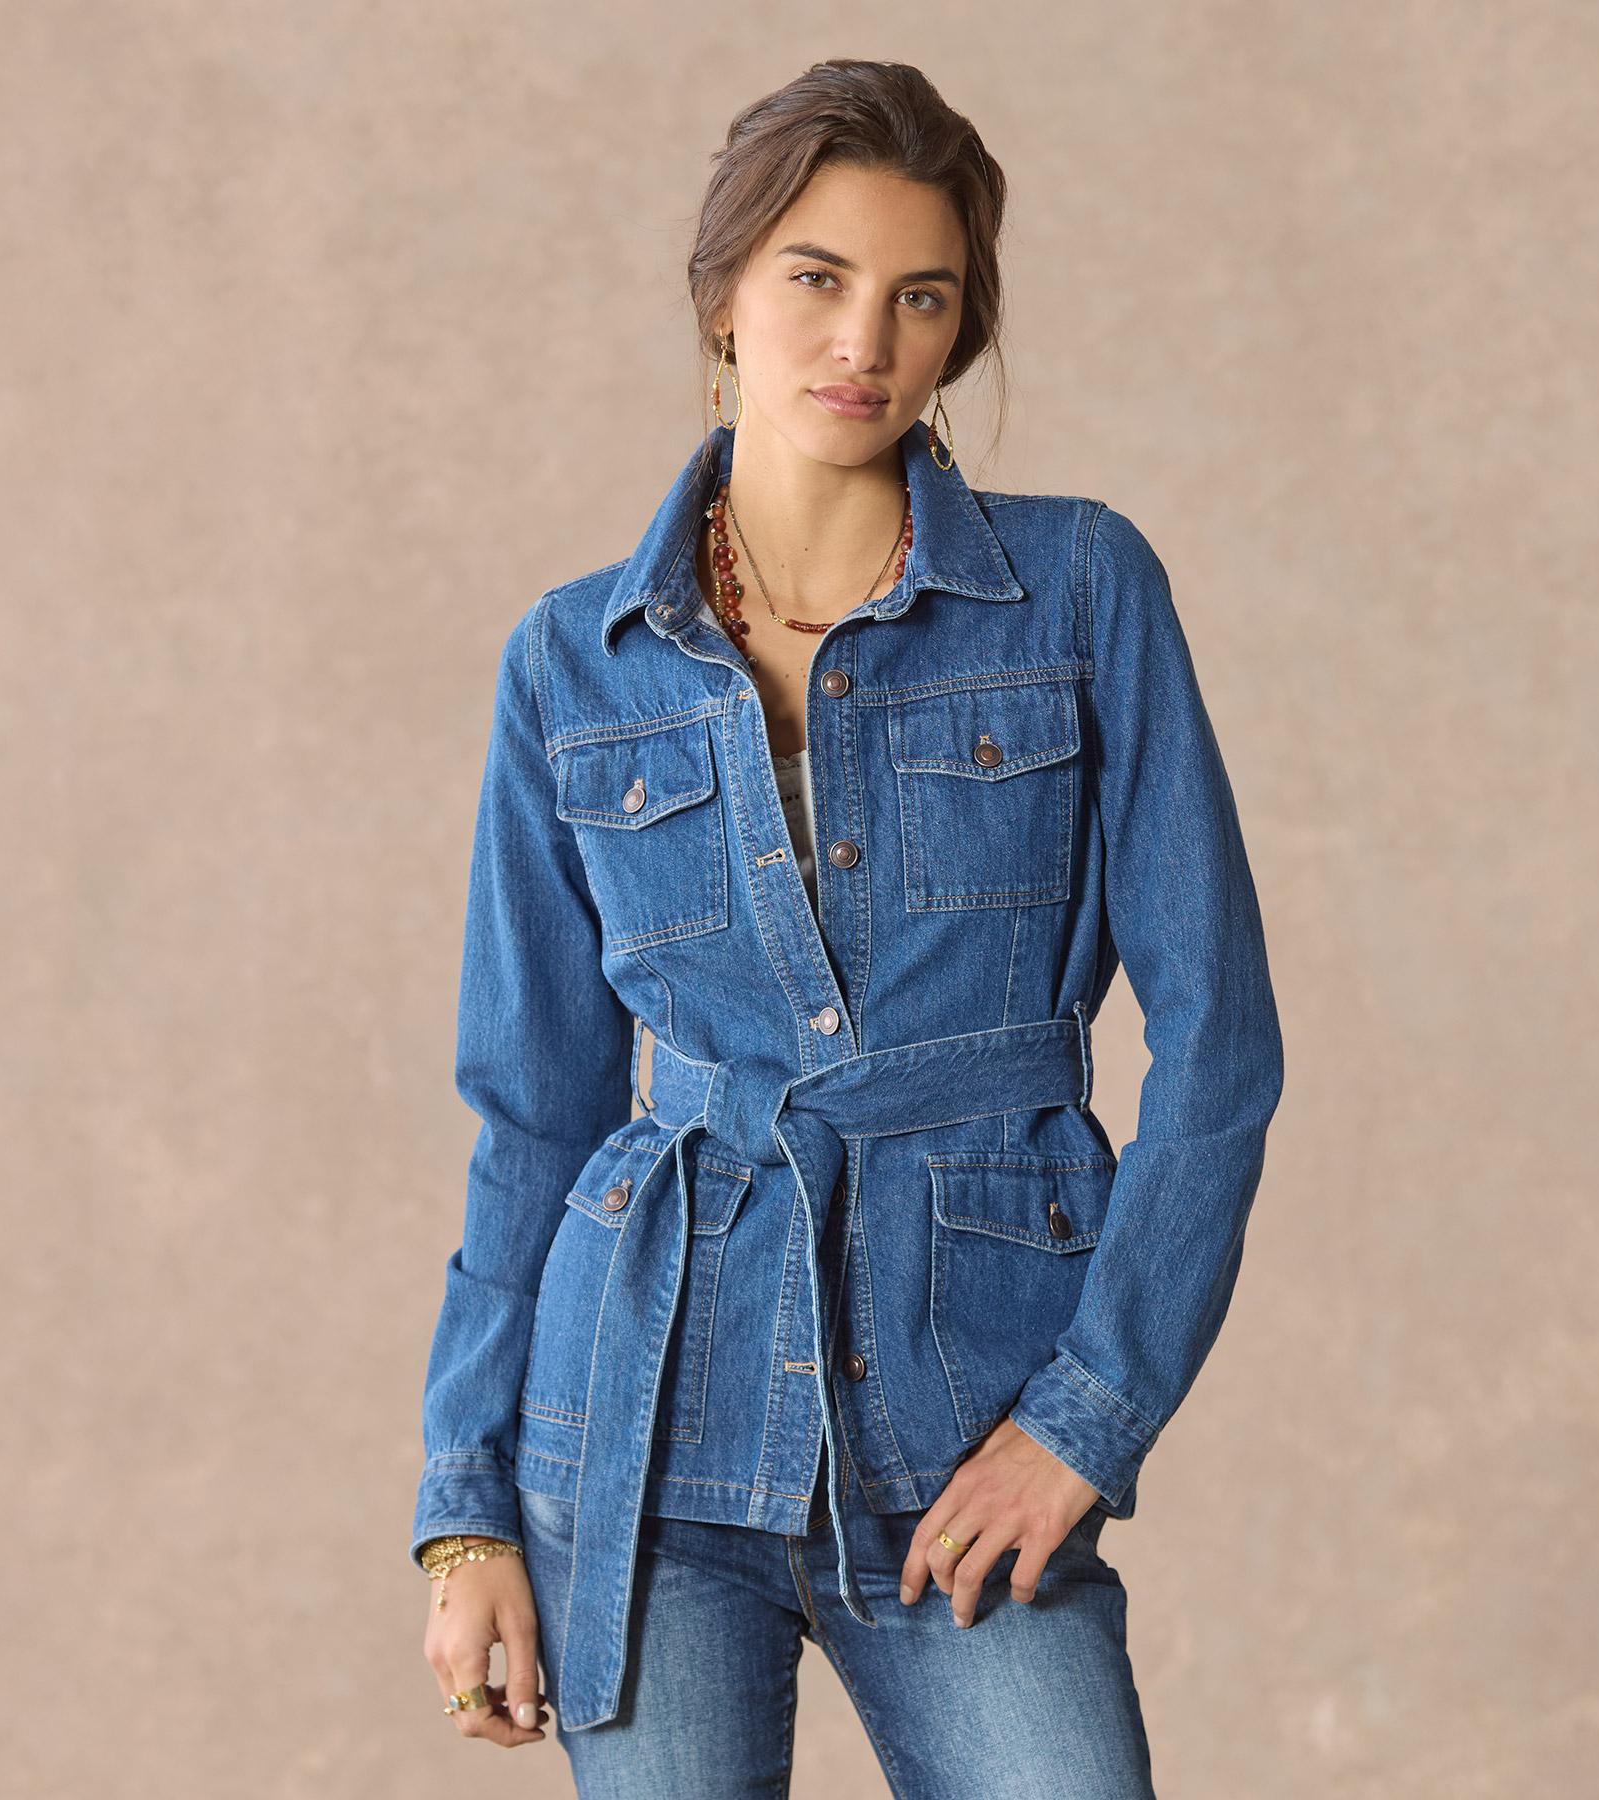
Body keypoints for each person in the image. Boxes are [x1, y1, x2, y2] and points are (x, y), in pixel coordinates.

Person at [410, 57, 1285, 1799]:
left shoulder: (1079, 591)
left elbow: (1220, 1050)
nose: (862, 340)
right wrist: (467, 1511)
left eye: (921, 298)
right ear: (724, 294)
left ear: (962, 333)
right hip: (641, 1439)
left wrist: (1085, 1421)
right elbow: (534, 1114)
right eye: (816, 276)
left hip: (964, 1423)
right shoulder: (573, 664)